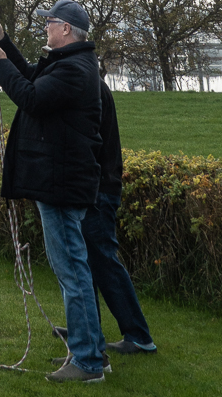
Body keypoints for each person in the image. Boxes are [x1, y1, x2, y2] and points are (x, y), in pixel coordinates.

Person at [0, 0, 106, 384]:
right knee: (74, 270)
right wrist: (5, 43)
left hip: (61, 185)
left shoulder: (74, 70)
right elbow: (34, 78)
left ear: (66, 30)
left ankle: (87, 362)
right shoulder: (67, 63)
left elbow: (32, 97)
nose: (46, 27)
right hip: (58, 182)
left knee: (72, 272)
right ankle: (93, 349)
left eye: (49, 22)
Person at [83, 71, 157, 356]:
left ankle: (137, 334)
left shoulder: (93, 88)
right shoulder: (92, 84)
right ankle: (88, 327)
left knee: (103, 261)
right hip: (98, 186)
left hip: (100, 189)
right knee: (87, 261)